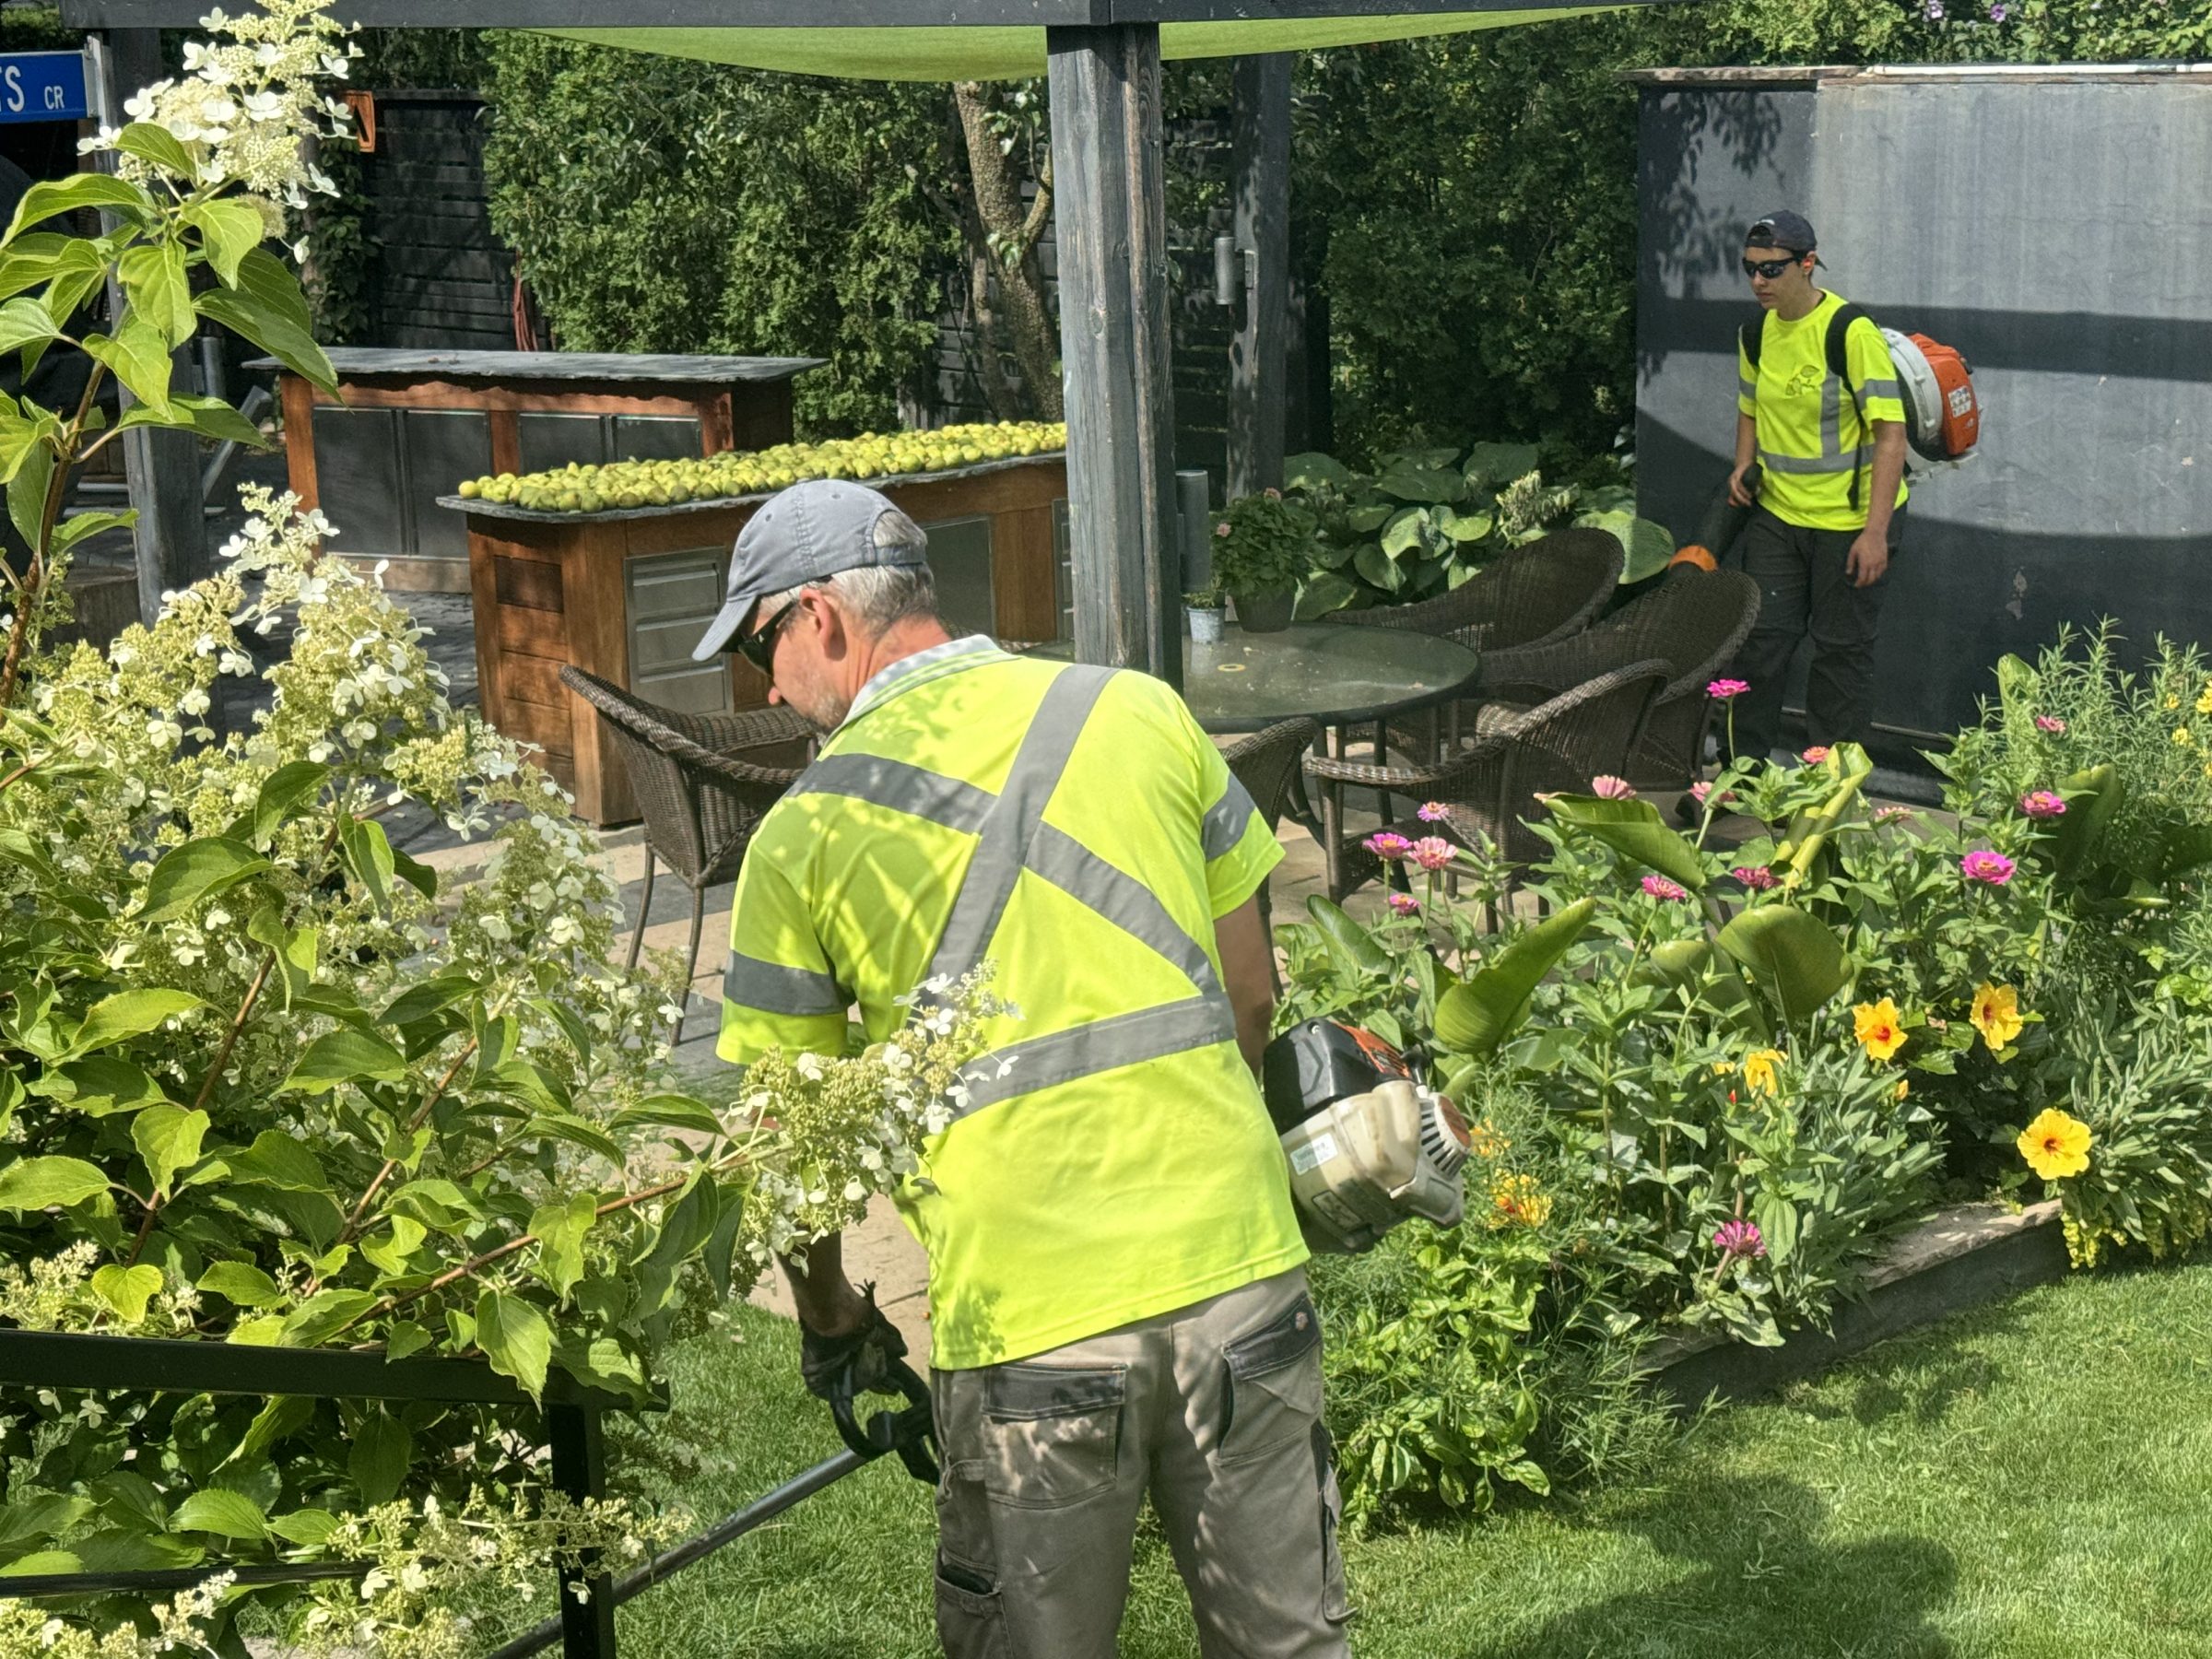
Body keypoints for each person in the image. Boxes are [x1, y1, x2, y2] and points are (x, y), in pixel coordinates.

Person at [694, 478, 1349, 1659]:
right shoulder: (1141, 710)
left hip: (1032, 1328)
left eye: (758, 649)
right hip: (1242, 1274)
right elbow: (1253, 990)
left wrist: (834, 1315)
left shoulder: (801, 834)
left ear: (820, 620)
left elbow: (787, 1146)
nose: (769, 688)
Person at [1724, 209, 1909, 763]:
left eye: (1772, 270)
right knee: (1761, 646)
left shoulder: (1850, 332)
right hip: (1780, 517)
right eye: (1750, 269)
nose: (1758, 281)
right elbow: (1750, 408)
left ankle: (1824, 795)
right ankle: (1739, 780)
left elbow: (1891, 437)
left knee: (1840, 656)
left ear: (1808, 264)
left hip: (1850, 525)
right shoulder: (1755, 331)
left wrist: (1875, 534)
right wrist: (1742, 465)